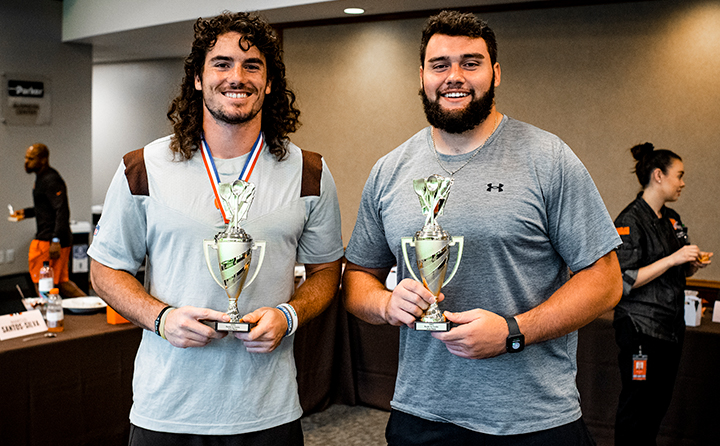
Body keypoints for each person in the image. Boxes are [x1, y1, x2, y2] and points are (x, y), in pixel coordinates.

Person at [342, 10, 623, 445]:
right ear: (421, 76)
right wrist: (384, 305)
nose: (454, 76)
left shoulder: (548, 158)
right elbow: (358, 277)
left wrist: (512, 332)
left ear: (495, 72)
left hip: (533, 420)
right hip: (421, 416)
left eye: (470, 63)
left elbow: (605, 281)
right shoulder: (389, 170)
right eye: (440, 65)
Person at [87, 11, 343, 445]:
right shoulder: (143, 167)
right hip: (167, 411)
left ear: (269, 82)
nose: (236, 77)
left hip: (267, 412)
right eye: (221, 64)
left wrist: (289, 315)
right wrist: (161, 318)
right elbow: (104, 271)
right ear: (198, 79)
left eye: (252, 65)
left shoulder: (309, 171)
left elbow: (326, 273)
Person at [613, 142, 712, 446]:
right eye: (679, 175)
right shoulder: (629, 221)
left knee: (658, 405)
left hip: (670, 326)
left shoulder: (672, 219)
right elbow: (625, 279)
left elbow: (679, 270)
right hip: (640, 326)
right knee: (637, 406)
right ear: (658, 175)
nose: (682, 183)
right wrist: (673, 258)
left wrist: (691, 264)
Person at [10, 143, 86, 298]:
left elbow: (61, 210)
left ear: (43, 160)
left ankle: (47, 316)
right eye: (26, 157)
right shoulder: (41, 178)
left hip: (50, 240)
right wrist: (25, 213)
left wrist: (55, 240)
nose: (26, 161)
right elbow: (46, 208)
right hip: (50, 238)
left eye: (31, 158)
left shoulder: (51, 179)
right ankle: (96, 308)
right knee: (61, 283)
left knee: (42, 283)